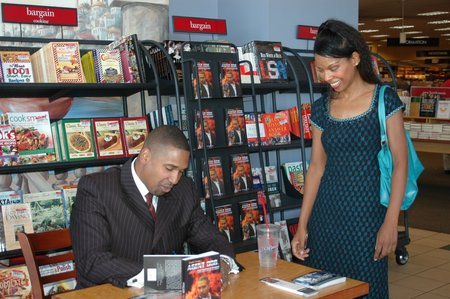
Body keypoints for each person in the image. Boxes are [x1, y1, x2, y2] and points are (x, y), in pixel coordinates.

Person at [290, 19, 408, 299]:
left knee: (367, 290)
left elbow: (401, 163)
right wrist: (302, 224)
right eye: (320, 69)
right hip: (325, 220)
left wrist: (391, 222)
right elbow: (316, 168)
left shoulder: (384, 100)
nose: (326, 76)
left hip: (367, 221)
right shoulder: (321, 109)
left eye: (333, 67)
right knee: (322, 291)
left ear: (355, 58)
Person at [70, 125, 236, 289]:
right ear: (146, 156)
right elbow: (92, 260)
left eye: (181, 171)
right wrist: (165, 275)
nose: (175, 179)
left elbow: (211, 238)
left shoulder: (184, 189)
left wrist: (223, 262)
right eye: (169, 168)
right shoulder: (96, 189)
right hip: (109, 292)